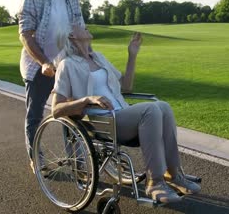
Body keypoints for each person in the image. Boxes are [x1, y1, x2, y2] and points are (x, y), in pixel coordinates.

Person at [51, 24, 201, 203]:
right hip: (103, 122)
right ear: (72, 37)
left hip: (121, 114)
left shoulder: (98, 57)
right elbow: (56, 109)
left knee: (163, 106)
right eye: (81, 26)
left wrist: (132, 54)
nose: (86, 26)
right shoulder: (66, 65)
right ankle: (155, 182)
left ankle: (173, 174)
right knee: (151, 109)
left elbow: (127, 87)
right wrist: (86, 99)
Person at [18, 0, 85, 173]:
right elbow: (26, 35)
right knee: (35, 115)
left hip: (66, 65)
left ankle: (78, 160)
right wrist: (44, 62)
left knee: (71, 113)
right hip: (39, 68)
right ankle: (35, 157)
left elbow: (79, 31)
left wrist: (87, 57)